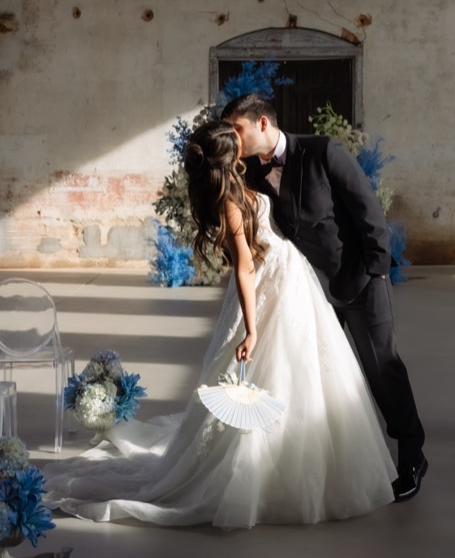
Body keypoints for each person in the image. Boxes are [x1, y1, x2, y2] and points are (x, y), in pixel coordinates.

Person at [43, 119, 396, 528]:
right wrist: (252, 327)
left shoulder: (240, 186)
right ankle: (264, 474)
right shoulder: (228, 201)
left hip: (293, 283)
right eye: (236, 143)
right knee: (275, 372)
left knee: (307, 371)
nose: (243, 145)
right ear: (229, 157)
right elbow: (245, 269)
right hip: (268, 289)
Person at [221, 94, 428, 501]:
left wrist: (374, 273)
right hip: (307, 294)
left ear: (262, 123)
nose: (235, 139)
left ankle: (412, 455)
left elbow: (370, 214)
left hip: (359, 284)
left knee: (381, 369)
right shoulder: (249, 175)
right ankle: (330, 464)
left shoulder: (322, 151)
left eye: (238, 130)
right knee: (319, 377)